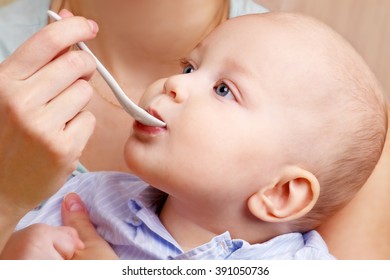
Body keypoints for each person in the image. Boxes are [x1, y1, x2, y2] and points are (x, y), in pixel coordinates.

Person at [0, 1, 389, 259]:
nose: (174, 82)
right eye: (189, 67)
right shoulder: (86, 202)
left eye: (223, 90)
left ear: (282, 193)